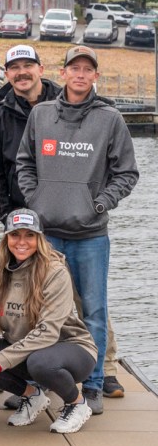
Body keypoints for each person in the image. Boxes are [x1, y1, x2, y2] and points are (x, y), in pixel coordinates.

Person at [16, 45, 138, 416]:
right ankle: (37, 384)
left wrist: (99, 204)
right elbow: (24, 163)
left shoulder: (110, 118)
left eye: (87, 69)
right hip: (47, 234)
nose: (80, 74)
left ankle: (95, 384)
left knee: (94, 313)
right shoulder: (40, 114)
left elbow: (127, 173)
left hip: (90, 236)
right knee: (38, 310)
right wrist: (36, 201)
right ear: (63, 73)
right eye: (74, 68)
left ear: (95, 76)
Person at [0, 209, 98, 433]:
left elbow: (47, 332)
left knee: (40, 363)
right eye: (15, 235)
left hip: (71, 348)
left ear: (39, 238)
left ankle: (77, 403)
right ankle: (33, 397)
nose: (21, 242)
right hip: (26, 349)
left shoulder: (55, 272)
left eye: (29, 235)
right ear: (6, 238)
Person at [0, 45, 62, 217]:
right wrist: (6, 215)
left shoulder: (66, 109)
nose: (21, 72)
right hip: (20, 218)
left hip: (66, 213)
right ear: (7, 74)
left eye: (28, 65)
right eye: (15, 67)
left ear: (41, 69)